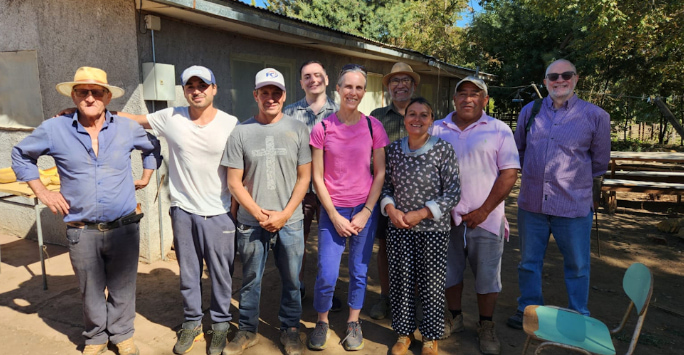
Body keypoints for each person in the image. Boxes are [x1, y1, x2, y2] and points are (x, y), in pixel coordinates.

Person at [12, 67, 162, 355]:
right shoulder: (54, 129)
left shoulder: (126, 127)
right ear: (74, 95)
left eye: (96, 92)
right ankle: (95, 337)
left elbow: (153, 147)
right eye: (83, 91)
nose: (90, 97)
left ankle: (121, 334)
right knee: (90, 288)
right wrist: (42, 191)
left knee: (122, 287)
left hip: (124, 227)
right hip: (82, 230)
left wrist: (145, 177)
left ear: (107, 96)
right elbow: (21, 154)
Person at [114, 66, 238, 355]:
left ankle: (220, 325)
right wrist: (85, 113)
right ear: (184, 91)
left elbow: (240, 169)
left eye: (203, 85)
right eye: (190, 86)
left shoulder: (230, 123)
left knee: (221, 274)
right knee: (189, 273)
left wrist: (235, 210)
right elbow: (132, 120)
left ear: (214, 89)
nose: (197, 90)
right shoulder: (171, 117)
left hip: (219, 212)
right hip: (183, 210)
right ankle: (192, 323)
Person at [508, 59, 611, 329]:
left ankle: (578, 315)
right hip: (532, 205)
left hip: (573, 207)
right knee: (528, 263)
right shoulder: (530, 111)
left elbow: (599, 163)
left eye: (566, 75)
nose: (559, 80)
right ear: (545, 82)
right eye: (553, 76)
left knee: (577, 265)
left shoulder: (596, 116)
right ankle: (528, 310)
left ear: (576, 79)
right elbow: (517, 150)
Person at [222, 68, 311, 355]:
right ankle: (247, 331)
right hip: (251, 221)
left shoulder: (298, 130)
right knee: (250, 279)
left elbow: (304, 178)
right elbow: (234, 182)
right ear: (255, 95)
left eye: (276, 92)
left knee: (292, 280)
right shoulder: (241, 132)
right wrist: (259, 214)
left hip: (291, 221)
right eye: (265, 92)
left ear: (284, 96)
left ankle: (291, 330)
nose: (270, 98)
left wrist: (284, 214)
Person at [431, 76, 520, 354]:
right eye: (462, 93)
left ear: (485, 100)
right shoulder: (437, 128)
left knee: (487, 277)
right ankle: (454, 318)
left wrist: (483, 211)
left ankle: (486, 325)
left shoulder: (499, 130)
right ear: (454, 99)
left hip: (487, 219)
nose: (468, 98)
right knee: (449, 273)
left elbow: (509, 173)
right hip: (446, 220)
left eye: (475, 94)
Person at [307, 64, 389, 351]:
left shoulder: (372, 126)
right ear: (337, 90)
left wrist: (367, 211)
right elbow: (317, 176)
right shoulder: (323, 128)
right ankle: (323, 321)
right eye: (348, 86)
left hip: (363, 211)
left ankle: (354, 322)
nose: (352, 92)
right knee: (327, 272)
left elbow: (379, 172)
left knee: (358, 270)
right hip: (333, 212)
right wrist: (332, 215)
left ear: (364, 92)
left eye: (358, 87)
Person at [382, 97, 461, 355]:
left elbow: (453, 192)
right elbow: (385, 187)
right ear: (404, 119)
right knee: (401, 282)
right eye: (412, 114)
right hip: (399, 228)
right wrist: (391, 209)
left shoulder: (443, 149)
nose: (417, 119)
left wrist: (423, 213)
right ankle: (403, 334)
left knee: (432, 283)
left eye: (423, 115)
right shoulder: (393, 150)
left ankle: (430, 337)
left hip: (433, 231)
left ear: (432, 120)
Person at [282, 60, 340, 308]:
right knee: (297, 242)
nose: (313, 79)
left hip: (331, 190)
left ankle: (326, 292)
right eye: (307, 76)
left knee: (330, 244)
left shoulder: (341, 113)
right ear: (301, 82)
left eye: (318, 75)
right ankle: (297, 289)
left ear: (326, 79)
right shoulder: (289, 114)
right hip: (300, 190)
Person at [368, 62, 420, 320]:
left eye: (406, 80)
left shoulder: (424, 113)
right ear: (388, 87)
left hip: (421, 196)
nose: (401, 85)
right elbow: (366, 154)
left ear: (413, 85)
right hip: (384, 195)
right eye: (395, 81)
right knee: (386, 248)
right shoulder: (376, 117)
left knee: (420, 249)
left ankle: (417, 301)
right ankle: (386, 298)